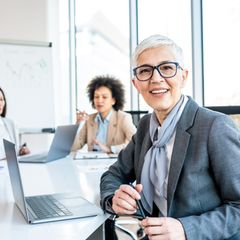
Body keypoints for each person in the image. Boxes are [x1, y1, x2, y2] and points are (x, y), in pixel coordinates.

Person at [100, 34, 240, 240]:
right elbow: (112, 175)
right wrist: (114, 198)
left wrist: (186, 229)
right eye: (145, 71)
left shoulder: (215, 127)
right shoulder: (146, 126)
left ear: (183, 76)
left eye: (166, 68)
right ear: (136, 83)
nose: (156, 78)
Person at [71, 75, 136, 154]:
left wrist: (110, 149)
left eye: (104, 97)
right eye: (96, 97)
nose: (99, 100)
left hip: (115, 163)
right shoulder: (90, 119)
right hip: (92, 163)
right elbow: (74, 147)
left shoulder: (123, 118)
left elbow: (135, 143)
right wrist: (78, 125)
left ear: (113, 100)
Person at [0, 87, 30, 159]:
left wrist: (22, 151)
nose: (0, 103)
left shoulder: (10, 124)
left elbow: (16, 149)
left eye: (1, 99)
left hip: (12, 168)